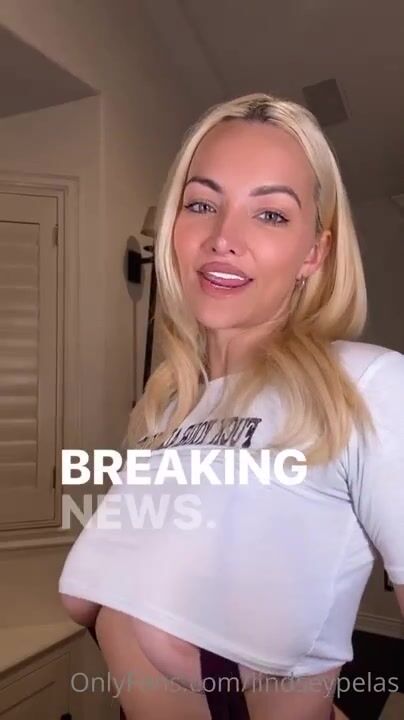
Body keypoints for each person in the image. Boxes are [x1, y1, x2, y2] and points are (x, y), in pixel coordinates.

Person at [58, 92, 404, 720]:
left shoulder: (367, 386)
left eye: (270, 214)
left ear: (314, 253)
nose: (223, 238)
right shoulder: (166, 408)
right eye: (201, 204)